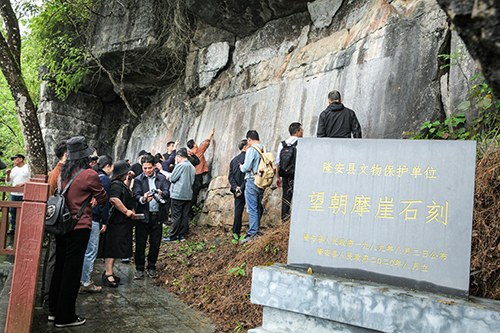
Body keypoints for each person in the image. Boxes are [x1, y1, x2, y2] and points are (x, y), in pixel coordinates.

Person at [49, 136, 106, 328]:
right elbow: (102, 196)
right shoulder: (89, 174)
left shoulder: (62, 173)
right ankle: (65, 317)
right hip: (79, 226)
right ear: (85, 156)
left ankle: (53, 310)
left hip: (62, 224)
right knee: (72, 271)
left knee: (60, 266)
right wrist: (93, 198)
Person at [97, 160, 136, 288]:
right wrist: (126, 211)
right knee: (111, 248)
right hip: (116, 222)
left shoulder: (120, 183)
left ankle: (110, 272)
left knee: (115, 248)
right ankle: (108, 274)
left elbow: (125, 190)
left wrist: (129, 179)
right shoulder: (116, 185)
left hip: (120, 222)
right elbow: (114, 199)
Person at [132, 154, 170, 279]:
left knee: (155, 243)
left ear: (154, 166)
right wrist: (143, 198)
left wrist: (160, 193)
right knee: (140, 243)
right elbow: (136, 195)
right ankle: (139, 268)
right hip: (143, 215)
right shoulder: (138, 179)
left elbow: (167, 192)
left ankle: (152, 266)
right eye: (145, 168)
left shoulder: (161, 178)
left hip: (157, 216)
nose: (147, 170)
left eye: (149, 168)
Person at [80, 155, 113, 293]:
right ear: (107, 167)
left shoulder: (89, 175)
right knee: (91, 251)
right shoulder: (104, 179)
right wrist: (104, 221)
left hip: (83, 216)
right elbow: (102, 202)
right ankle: (86, 282)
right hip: (94, 218)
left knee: (85, 250)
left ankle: (82, 279)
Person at [42, 140, 67, 308]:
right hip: (56, 223)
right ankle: (48, 296)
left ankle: (48, 294)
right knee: (53, 258)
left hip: (55, 221)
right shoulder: (58, 173)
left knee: (53, 257)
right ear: (66, 155)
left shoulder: (58, 172)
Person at [164, 148, 196, 242]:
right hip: (188, 194)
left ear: (180, 157)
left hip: (178, 194)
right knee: (184, 215)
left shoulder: (180, 165)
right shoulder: (192, 167)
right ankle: (182, 235)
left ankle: (173, 235)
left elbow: (173, 178)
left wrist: (168, 177)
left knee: (176, 215)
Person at [239, 130, 265, 243]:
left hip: (251, 181)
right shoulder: (264, 149)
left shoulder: (251, 149)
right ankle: (256, 231)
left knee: (252, 209)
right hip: (262, 182)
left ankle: (252, 234)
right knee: (258, 207)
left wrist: (241, 167)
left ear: (249, 139)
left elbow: (246, 167)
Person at [275, 122, 303, 223]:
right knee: (299, 198)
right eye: (301, 130)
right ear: (297, 132)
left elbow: (277, 161)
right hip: (298, 175)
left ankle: (284, 222)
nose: (302, 132)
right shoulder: (302, 143)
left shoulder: (283, 144)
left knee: (286, 198)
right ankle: (297, 222)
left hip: (286, 175)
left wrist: (278, 177)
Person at [187, 128, 214, 217]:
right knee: (195, 193)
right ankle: (191, 212)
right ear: (194, 145)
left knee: (192, 193)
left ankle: (190, 211)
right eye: (195, 143)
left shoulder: (189, 154)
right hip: (197, 175)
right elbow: (206, 144)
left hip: (190, 176)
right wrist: (210, 134)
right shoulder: (198, 151)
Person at [5, 153, 30, 234]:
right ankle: (13, 228)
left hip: (23, 194)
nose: (14, 161)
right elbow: (8, 182)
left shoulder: (27, 168)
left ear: (21, 159)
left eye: (16, 159)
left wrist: (22, 184)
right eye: (14, 159)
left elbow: (32, 179)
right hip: (14, 194)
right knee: (12, 211)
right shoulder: (14, 169)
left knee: (23, 211)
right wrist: (8, 174)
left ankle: (22, 228)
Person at [228, 140, 247, 236]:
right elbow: (248, 176)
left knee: (238, 212)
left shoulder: (233, 160)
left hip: (237, 190)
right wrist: (242, 188)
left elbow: (230, 177)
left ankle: (236, 233)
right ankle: (253, 232)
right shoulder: (248, 158)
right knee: (256, 209)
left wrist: (236, 187)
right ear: (245, 147)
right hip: (247, 189)